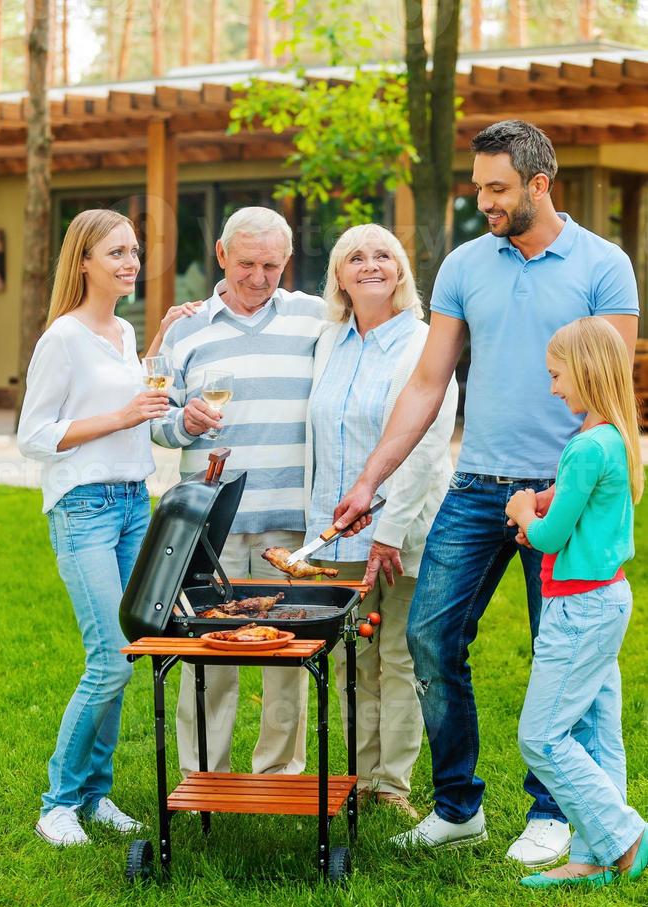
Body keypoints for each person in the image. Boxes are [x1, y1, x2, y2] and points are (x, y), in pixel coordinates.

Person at [332, 120, 639, 866]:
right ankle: (458, 806)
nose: (485, 204)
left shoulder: (605, 266)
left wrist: (561, 499)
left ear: (540, 184)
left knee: (556, 652)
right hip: (475, 489)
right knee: (432, 636)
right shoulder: (468, 264)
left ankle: (553, 811)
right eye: (478, 189)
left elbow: (606, 394)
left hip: (562, 491)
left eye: (498, 190)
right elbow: (429, 382)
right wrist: (371, 477)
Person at [153, 207, 326, 778]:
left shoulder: (315, 319)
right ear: (222, 256)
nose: (258, 277)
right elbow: (158, 419)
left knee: (289, 652)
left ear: (287, 262)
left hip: (289, 523)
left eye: (272, 265)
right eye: (247, 263)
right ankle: (203, 773)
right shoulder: (185, 327)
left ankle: (279, 772)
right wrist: (186, 424)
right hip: (211, 524)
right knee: (207, 651)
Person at [18, 209, 171, 847]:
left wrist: (159, 344)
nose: (130, 261)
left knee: (126, 657)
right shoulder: (63, 337)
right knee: (108, 660)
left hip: (136, 504)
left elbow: (130, 398)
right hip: (86, 509)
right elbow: (34, 436)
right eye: (115, 252)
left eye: (134, 251)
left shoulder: (121, 333)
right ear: (83, 261)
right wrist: (121, 415)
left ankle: (96, 794)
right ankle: (58, 802)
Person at [305, 225, 457, 818]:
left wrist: (389, 532)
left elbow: (427, 447)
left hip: (402, 533)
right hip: (334, 532)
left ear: (401, 272)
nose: (371, 265)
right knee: (349, 657)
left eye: (384, 256)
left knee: (396, 656)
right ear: (339, 276)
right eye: (356, 257)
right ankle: (358, 777)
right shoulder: (327, 342)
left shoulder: (425, 342)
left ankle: (392, 785)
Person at [505, 316, 647, 888]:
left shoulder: (585, 447)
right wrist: (546, 499)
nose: (553, 387)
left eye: (556, 375)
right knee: (594, 730)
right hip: (606, 598)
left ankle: (626, 836)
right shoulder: (613, 437)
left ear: (585, 372)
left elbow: (548, 537)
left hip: (579, 608)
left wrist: (522, 511)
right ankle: (593, 856)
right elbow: (576, 504)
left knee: (540, 737)